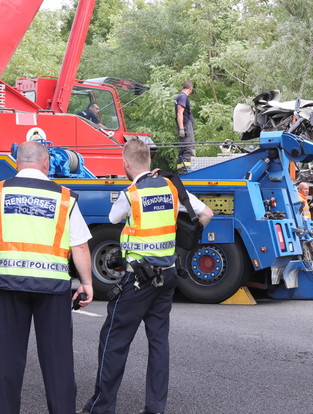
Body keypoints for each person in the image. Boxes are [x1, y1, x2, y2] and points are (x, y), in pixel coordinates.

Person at [81, 139, 213, 414]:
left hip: (137, 281)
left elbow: (114, 217)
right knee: (158, 343)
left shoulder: (131, 194)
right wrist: (180, 238)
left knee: (114, 341)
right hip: (166, 277)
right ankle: (155, 408)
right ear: (150, 161)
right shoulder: (172, 188)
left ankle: (101, 408)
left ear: (126, 164)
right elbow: (206, 214)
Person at [0, 140, 93, 414]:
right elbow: (80, 246)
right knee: (58, 363)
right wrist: (87, 283)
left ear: (17, 163)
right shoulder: (64, 197)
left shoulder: (1, 193)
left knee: (6, 362)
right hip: (52, 289)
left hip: (7, 285)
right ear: (46, 163)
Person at [175, 81, 195, 174]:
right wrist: (182, 128)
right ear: (190, 89)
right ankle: (186, 172)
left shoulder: (179, 97)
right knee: (188, 148)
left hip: (185, 125)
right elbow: (180, 113)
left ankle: (181, 170)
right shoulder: (183, 97)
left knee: (183, 149)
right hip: (186, 126)